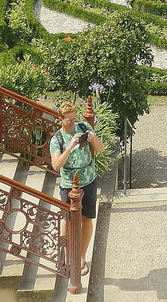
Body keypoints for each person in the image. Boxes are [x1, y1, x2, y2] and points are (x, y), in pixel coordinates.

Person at [52, 100, 106, 278]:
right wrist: (70, 147)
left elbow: (100, 150)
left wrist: (93, 138)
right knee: (67, 221)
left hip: (88, 181)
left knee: (87, 219)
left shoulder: (82, 127)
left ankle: (82, 257)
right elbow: (56, 165)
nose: (72, 123)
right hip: (69, 186)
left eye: (74, 119)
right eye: (68, 120)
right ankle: (69, 257)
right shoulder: (57, 139)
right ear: (60, 119)